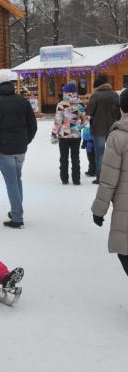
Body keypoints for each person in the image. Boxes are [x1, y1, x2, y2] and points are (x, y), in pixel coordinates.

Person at [0, 69, 37, 228]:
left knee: (12, 181)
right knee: (16, 178)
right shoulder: (22, 101)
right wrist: (26, 141)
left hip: (3, 149)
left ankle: (17, 216)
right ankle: (16, 211)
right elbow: (32, 125)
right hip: (20, 148)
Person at [91, 88, 128, 278]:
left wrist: (99, 211)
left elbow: (108, 179)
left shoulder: (119, 136)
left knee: (125, 252)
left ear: (121, 108)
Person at [51, 82, 87, 185]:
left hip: (64, 135)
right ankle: (76, 179)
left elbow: (58, 121)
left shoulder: (61, 105)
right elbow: (85, 121)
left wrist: (54, 134)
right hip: (76, 135)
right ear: (75, 92)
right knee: (75, 158)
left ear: (65, 93)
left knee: (64, 157)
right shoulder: (79, 104)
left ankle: (64, 179)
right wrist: (78, 127)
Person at [86, 76, 120, 184]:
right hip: (113, 129)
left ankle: (100, 177)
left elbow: (89, 111)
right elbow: (120, 111)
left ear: (96, 87)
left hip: (98, 129)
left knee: (100, 154)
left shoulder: (95, 95)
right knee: (113, 154)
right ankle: (112, 176)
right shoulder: (115, 94)